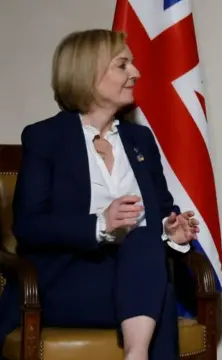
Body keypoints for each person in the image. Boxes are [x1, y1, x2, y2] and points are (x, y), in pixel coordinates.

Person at [0, 29, 200, 360]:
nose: (135, 73)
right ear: (89, 73)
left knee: (146, 240)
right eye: (123, 65)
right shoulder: (46, 138)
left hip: (135, 276)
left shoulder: (140, 140)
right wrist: (100, 224)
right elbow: (29, 226)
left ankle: (136, 353)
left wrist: (171, 229)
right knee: (158, 295)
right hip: (64, 282)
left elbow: (163, 209)